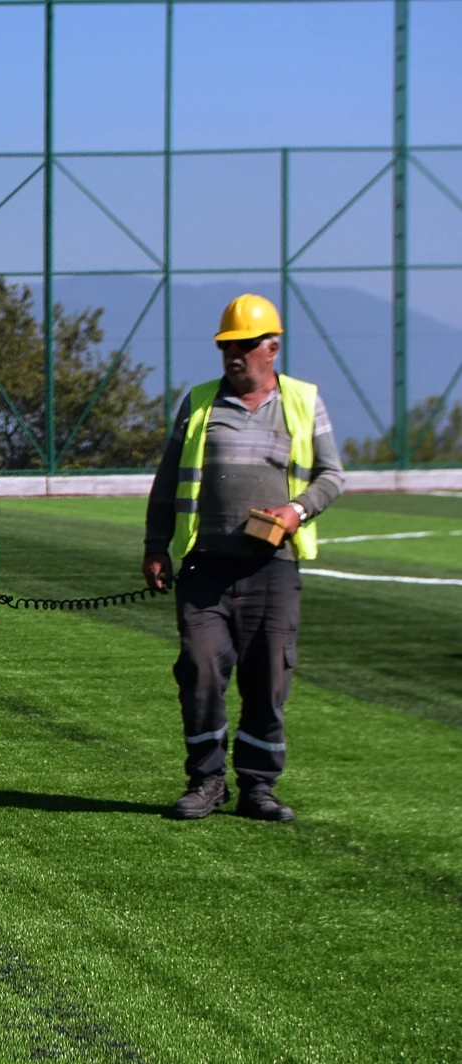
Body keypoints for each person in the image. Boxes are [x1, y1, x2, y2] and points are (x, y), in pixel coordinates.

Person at [143, 294, 344, 822]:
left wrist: (298, 510)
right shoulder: (200, 402)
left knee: (268, 677)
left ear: (272, 347)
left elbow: (332, 475)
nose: (236, 356)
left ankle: (259, 786)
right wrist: (154, 546)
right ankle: (206, 780)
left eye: (246, 345)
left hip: (271, 571)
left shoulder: (304, 401)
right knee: (201, 670)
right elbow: (168, 481)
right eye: (228, 346)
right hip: (205, 568)